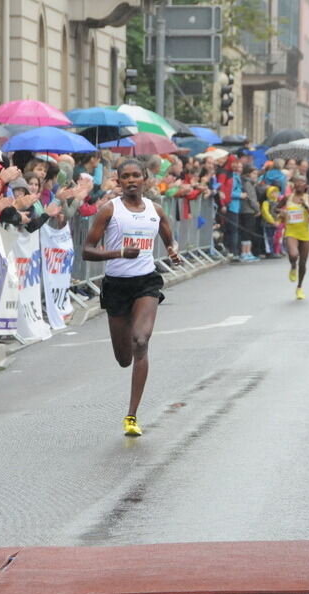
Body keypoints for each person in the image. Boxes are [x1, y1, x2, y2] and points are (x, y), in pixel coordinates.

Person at [82, 159, 182, 437]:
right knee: (124, 358)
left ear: (145, 178)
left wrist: (173, 252)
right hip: (116, 285)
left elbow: (169, 241)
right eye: (125, 176)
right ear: (118, 180)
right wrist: (118, 254)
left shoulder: (156, 210)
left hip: (146, 283)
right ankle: (129, 368)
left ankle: (132, 416)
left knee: (141, 341)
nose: (131, 180)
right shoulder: (108, 210)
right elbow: (87, 251)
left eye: (136, 175)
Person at [280, 175, 309, 300]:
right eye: (297, 182)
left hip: (305, 232)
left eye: (302, 182)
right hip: (291, 231)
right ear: (293, 184)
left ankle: (299, 287)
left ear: (306, 185)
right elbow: (275, 208)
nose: (300, 184)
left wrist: (306, 207)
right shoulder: (288, 197)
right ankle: (292, 266)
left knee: (303, 262)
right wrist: (282, 212)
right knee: (293, 255)